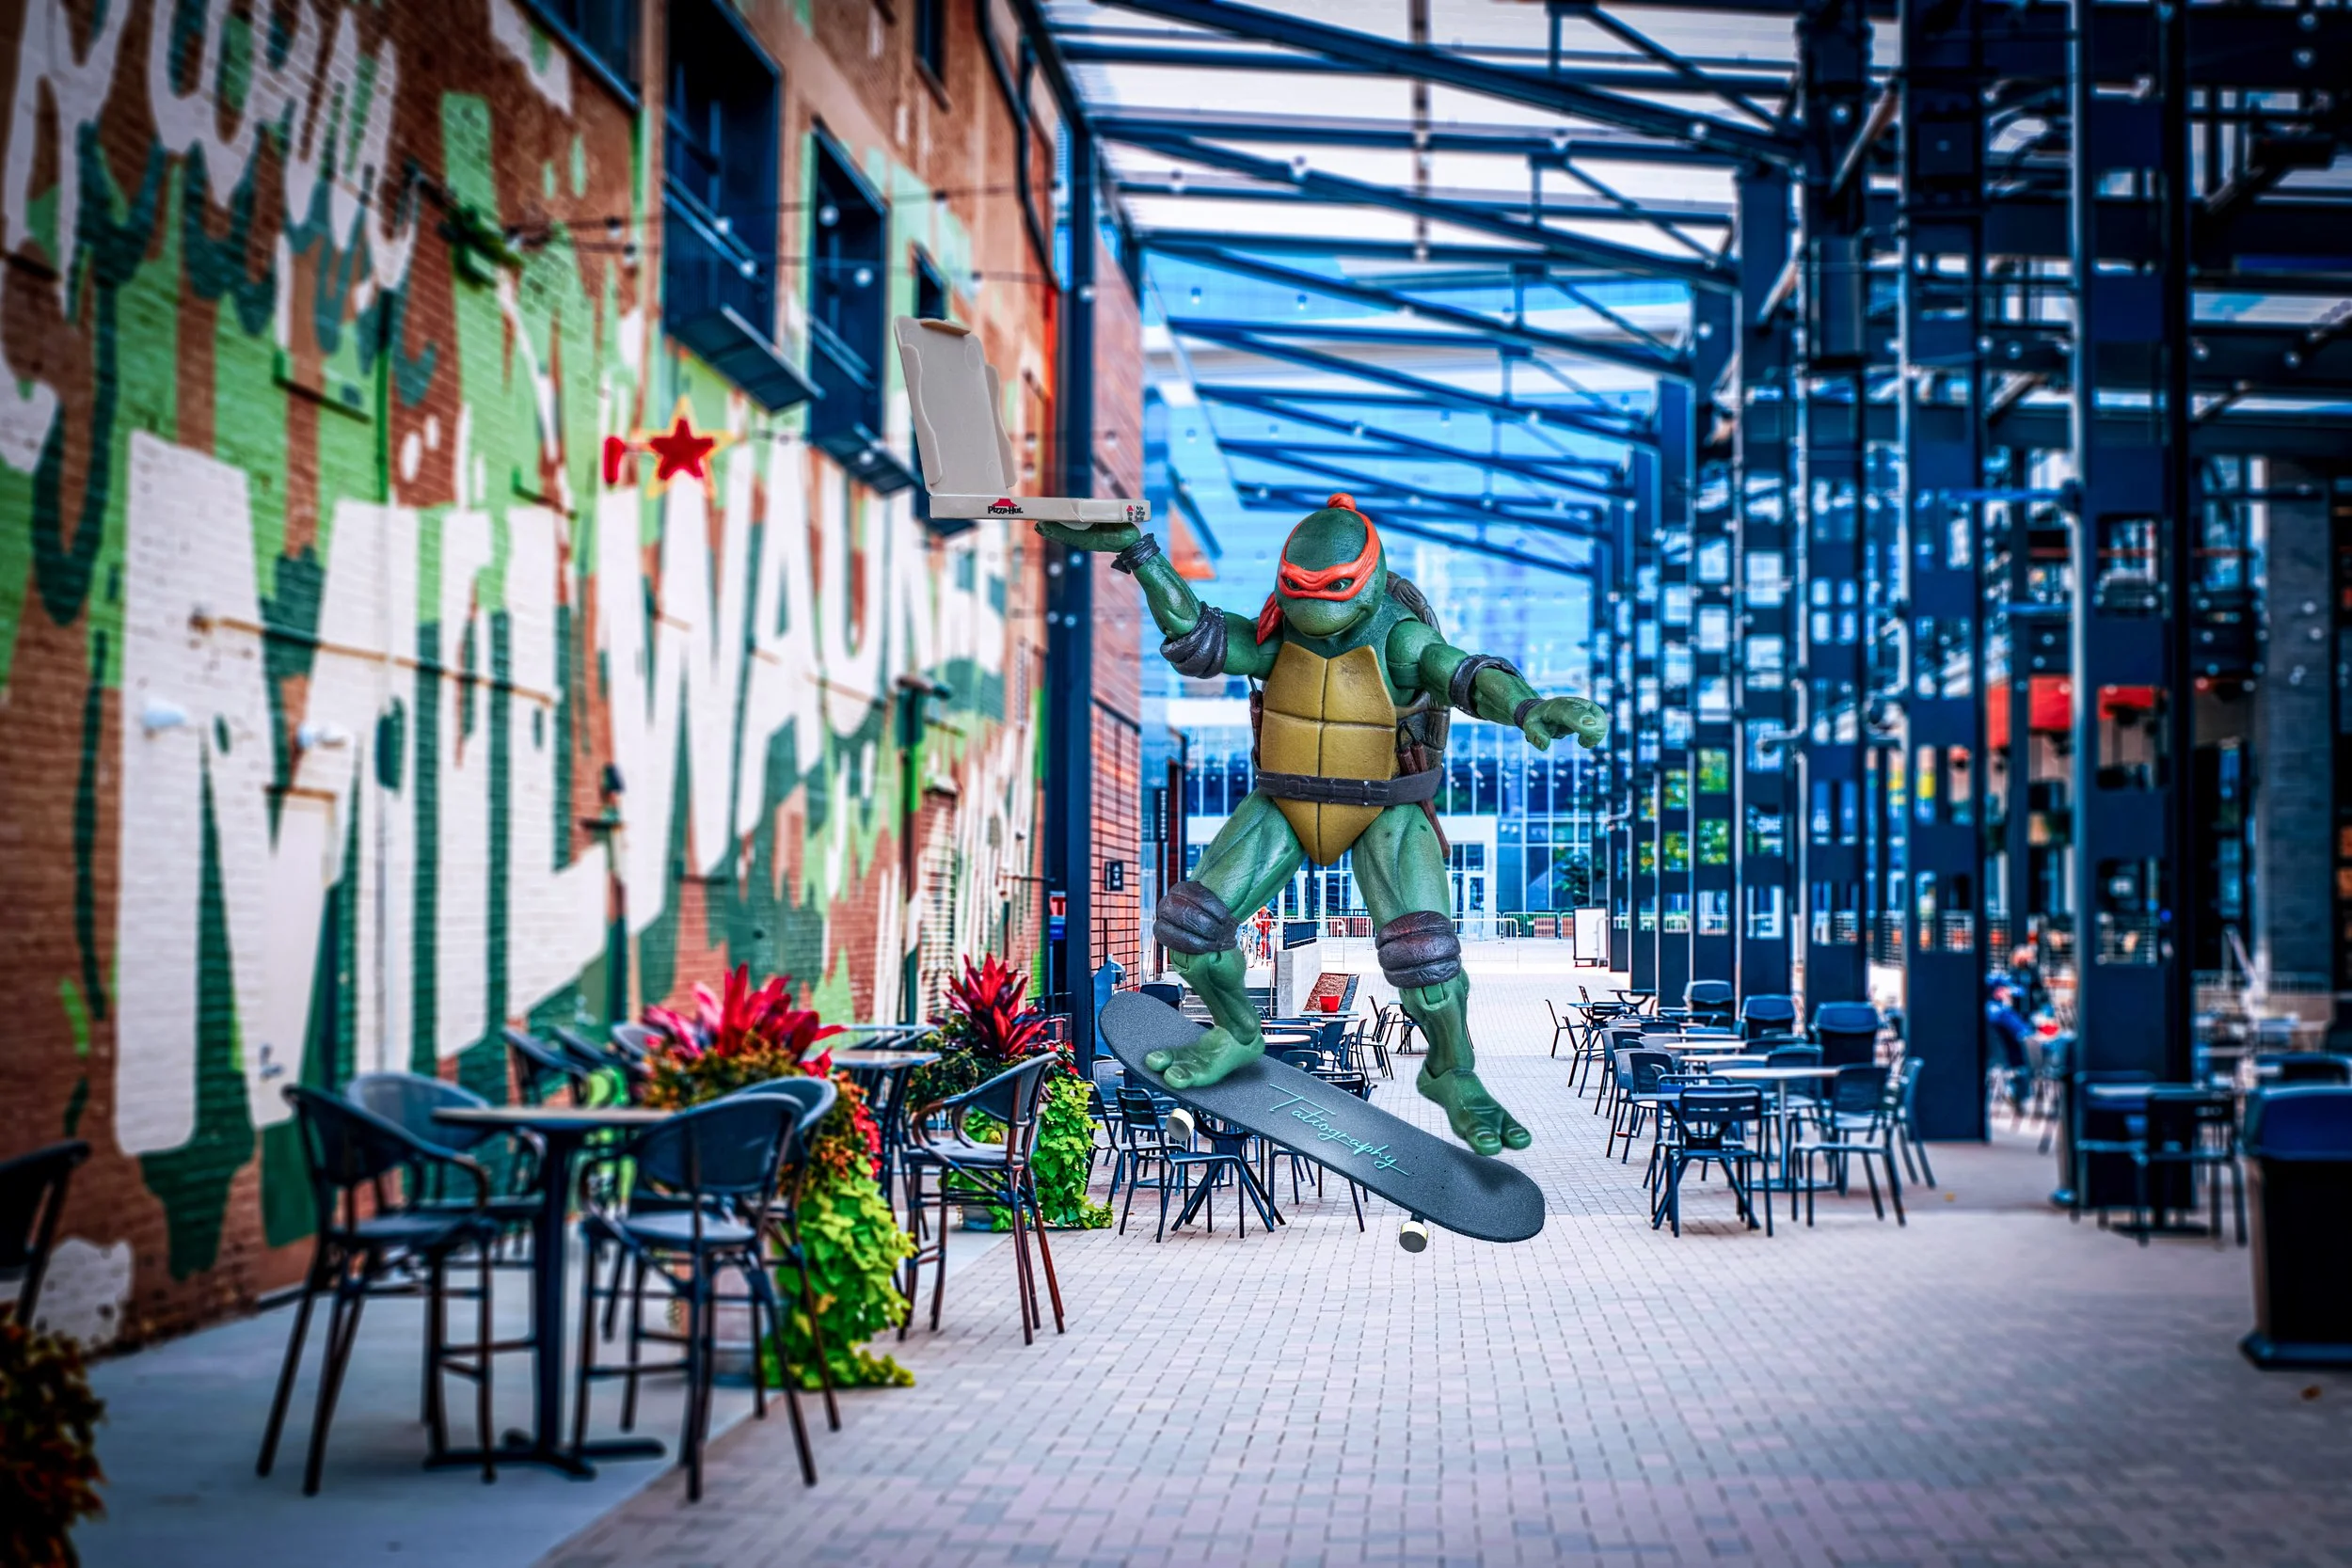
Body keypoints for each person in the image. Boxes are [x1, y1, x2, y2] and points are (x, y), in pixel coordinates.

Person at [1040, 494, 1609, 1156]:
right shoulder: (1278, 636)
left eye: (1335, 589)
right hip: (1285, 801)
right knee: (1189, 928)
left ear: (1368, 580)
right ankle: (1237, 1030)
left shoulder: (1400, 637)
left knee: (1426, 956)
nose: (1317, 608)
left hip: (1385, 803)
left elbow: (1463, 674)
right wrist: (1138, 554)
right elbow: (1197, 636)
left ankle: (1453, 1072)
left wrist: (1528, 705)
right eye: (1300, 589)